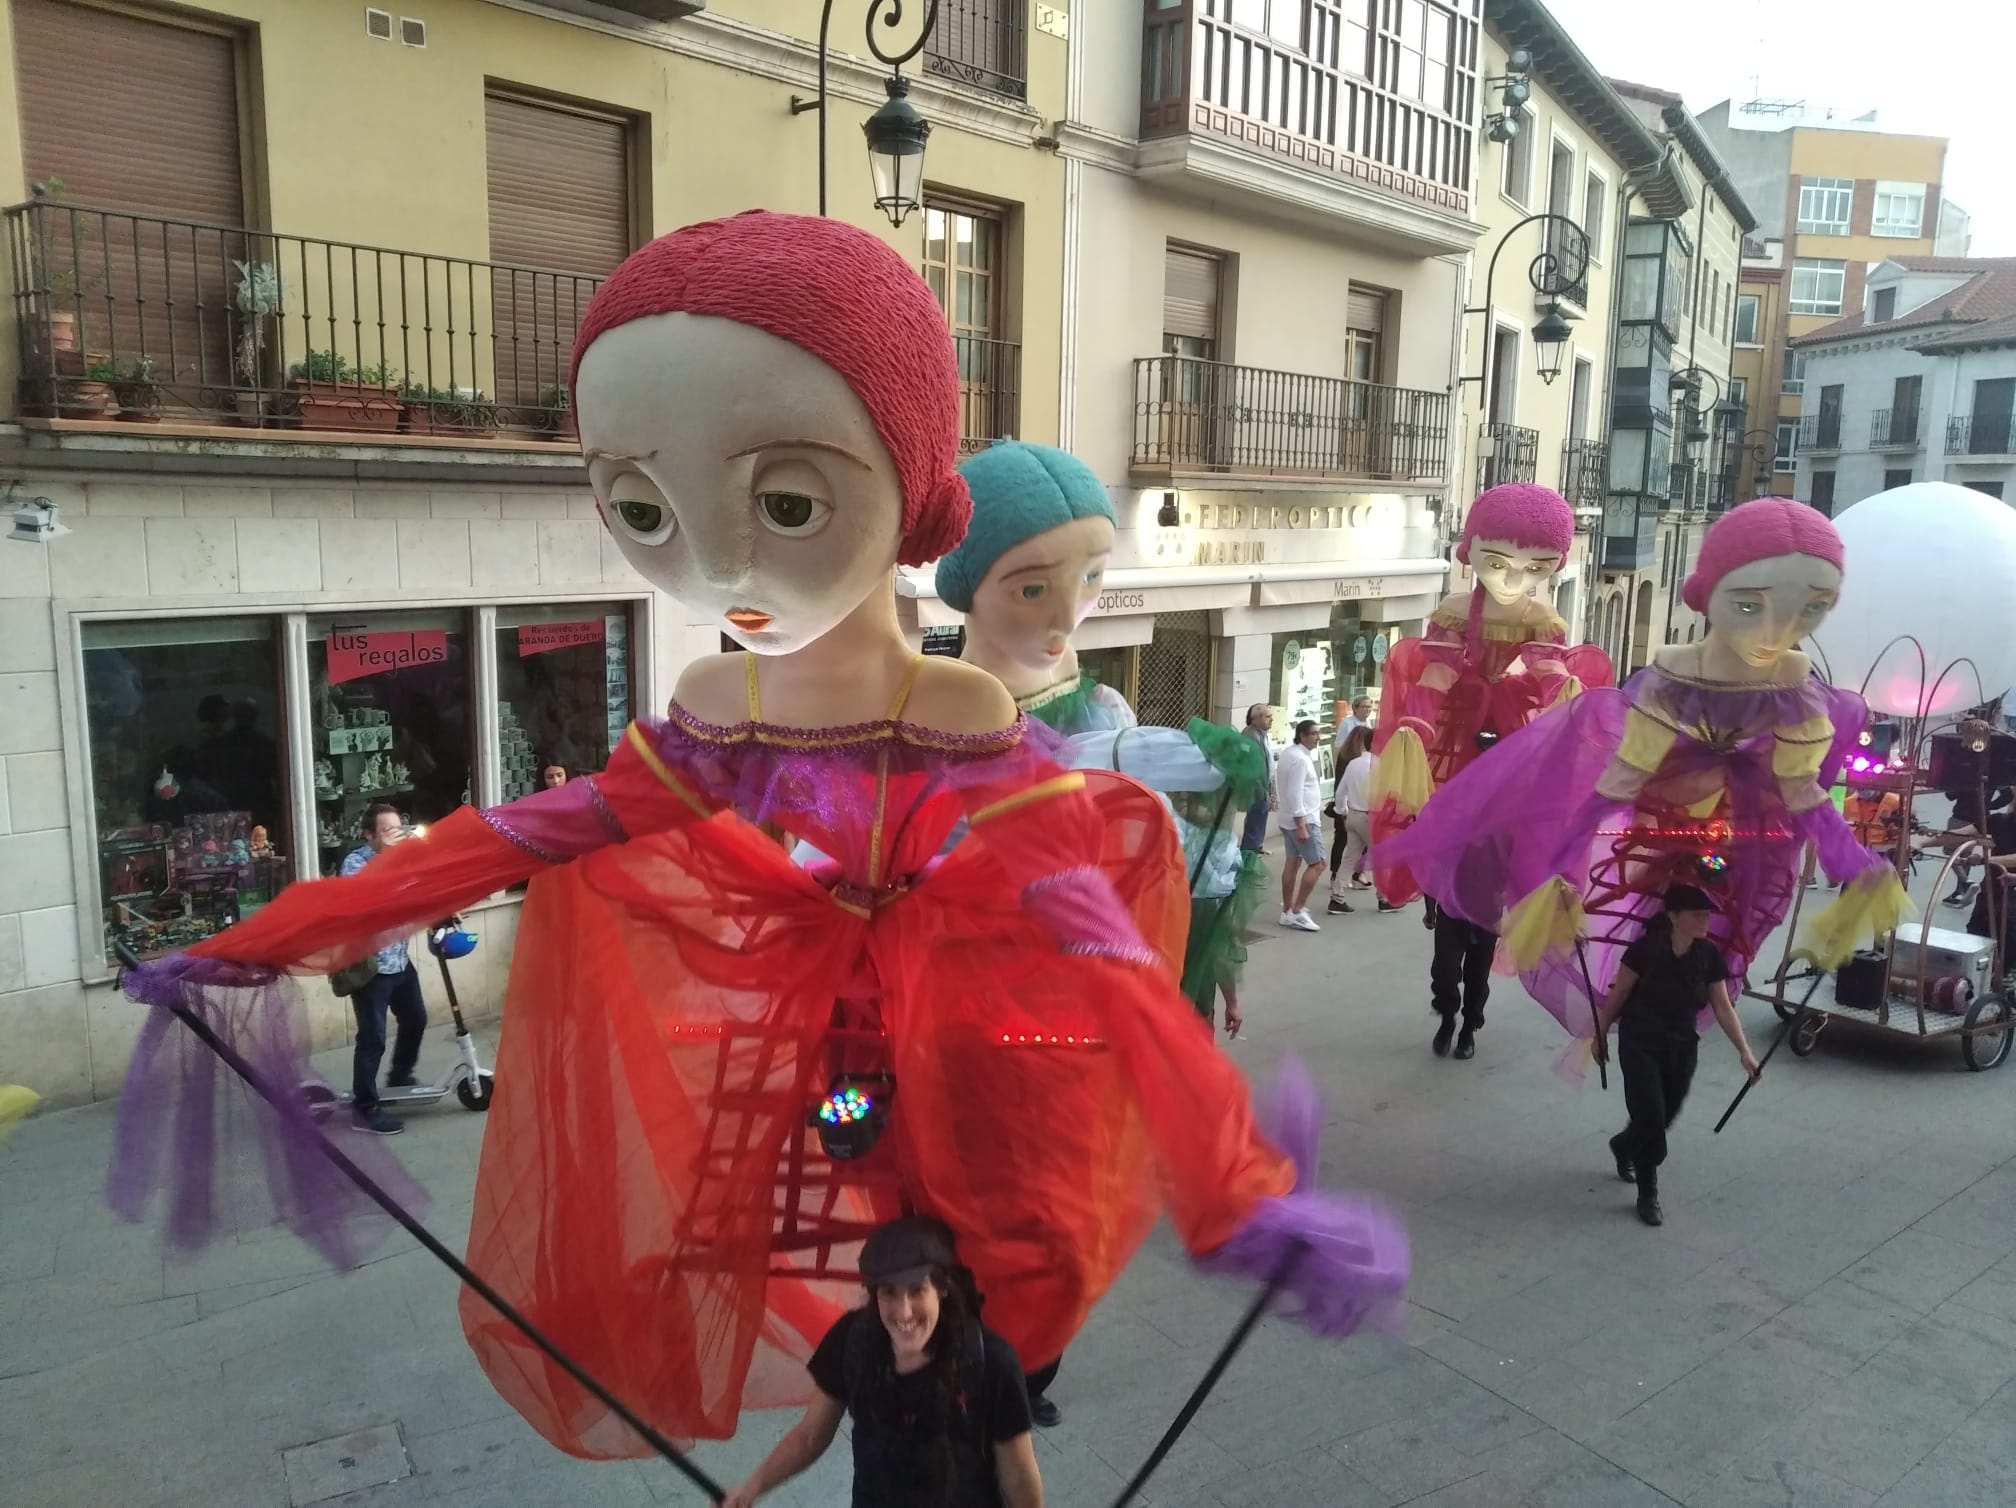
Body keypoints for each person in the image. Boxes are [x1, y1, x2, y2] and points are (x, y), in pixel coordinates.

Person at [108, 211, 1408, 1452]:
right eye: (645, 508)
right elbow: (521, 831)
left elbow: (1079, 914)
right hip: (835, 1059)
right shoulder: (717, 715)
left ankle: (978, 1398)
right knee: (863, 1231)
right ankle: (922, 1394)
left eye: (786, 505)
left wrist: (1225, 1161)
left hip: (971, 1039)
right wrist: (279, 935)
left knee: (992, 1258)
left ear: (904, 492)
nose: (722, 568)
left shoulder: (949, 706)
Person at [723, 1216, 1043, 1508]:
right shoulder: (852, 1340)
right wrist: (752, 1487)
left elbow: (1017, 1477)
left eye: (917, 1290)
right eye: (889, 1293)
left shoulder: (993, 1363)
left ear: (943, 1289)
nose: (903, 1312)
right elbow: (811, 1435)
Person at [1592, 885, 1761, 1227]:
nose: (1705, 920)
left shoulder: (1708, 956)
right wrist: (1600, 1035)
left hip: (1682, 1046)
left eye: (1707, 914)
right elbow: (1620, 992)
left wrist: (1744, 1051)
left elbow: (1723, 1007)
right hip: (1640, 1042)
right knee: (1651, 1118)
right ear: (1673, 916)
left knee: (1663, 1116)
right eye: (1697, 914)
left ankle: (1624, 1145)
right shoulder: (1644, 951)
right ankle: (1648, 1193)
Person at [338, 804, 426, 1135]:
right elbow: (363, 905)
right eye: (387, 830)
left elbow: (420, 894)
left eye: (398, 828)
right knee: (373, 1037)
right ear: (370, 835)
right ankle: (365, 1107)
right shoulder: (355, 863)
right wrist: (388, 861)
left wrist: (444, 912)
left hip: (399, 961)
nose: (396, 835)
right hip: (371, 966)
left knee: (416, 1019)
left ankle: (400, 1075)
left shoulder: (405, 860)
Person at [1327, 726, 1396, 917]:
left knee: (1350, 857)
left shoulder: (1354, 763)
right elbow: (1386, 795)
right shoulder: (1379, 765)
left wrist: (1341, 811)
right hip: (1370, 816)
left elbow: (1341, 792)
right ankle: (1384, 898)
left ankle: (1337, 896)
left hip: (1353, 814)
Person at [1275, 719, 1324, 931]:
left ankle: (1288, 910)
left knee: (1292, 862)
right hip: (1303, 820)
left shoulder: (1291, 754)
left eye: (1318, 734)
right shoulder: (1300, 760)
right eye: (1313, 734)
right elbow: (1295, 792)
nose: (1317, 738)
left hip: (1290, 819)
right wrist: (1301, 824)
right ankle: (1296, 910)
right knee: (1318, 863)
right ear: (1302, 735)